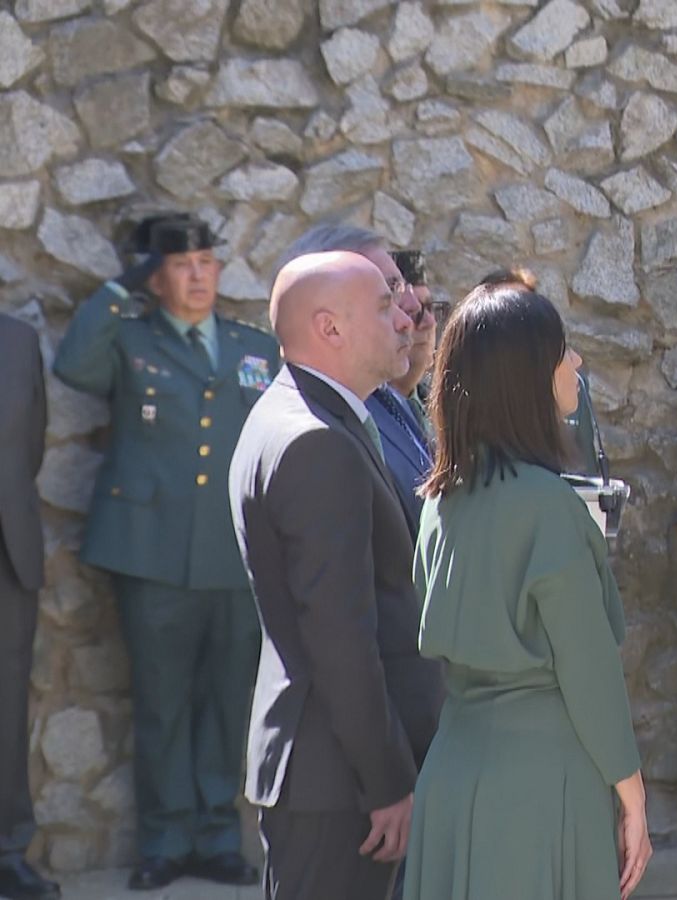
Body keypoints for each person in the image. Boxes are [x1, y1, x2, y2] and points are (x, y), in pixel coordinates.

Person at [404, 270, 651, 900]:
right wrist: (632, 795)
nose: (573, 362)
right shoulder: (548, 507)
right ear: (527, 376)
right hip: (542, 788)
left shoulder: (439, 501)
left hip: (453, 773)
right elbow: (589, 669)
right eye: (560, 350)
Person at [53, 213, 276, 891]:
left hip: (232, 557)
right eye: (183, 264)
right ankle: (164, 839)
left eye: (207, 261)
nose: (199, 275)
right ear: (157, 273)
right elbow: (73, 366)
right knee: (160, 703)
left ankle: (216, 835)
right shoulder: (131, 337)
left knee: (226, 701)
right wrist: (123, 289)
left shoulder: (251, 346)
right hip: (151, 555)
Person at [228, 252, 444, 900]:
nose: (404, 318)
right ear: (330, 328)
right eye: (384, 305)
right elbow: (340, 637)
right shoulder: (315, 439)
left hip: (334, 771)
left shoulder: (310, 414)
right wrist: (387, 784)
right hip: (343, 784)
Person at [280, 225, 436, 529]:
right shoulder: (314, 437)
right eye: (388, 294)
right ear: (330, 324)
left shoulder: (387, 401)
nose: (413, 313)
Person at [0, 314, 57, 900]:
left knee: (7, 712)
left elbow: (29, 444)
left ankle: (6, 851)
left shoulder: (17, 338)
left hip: (5, 553)